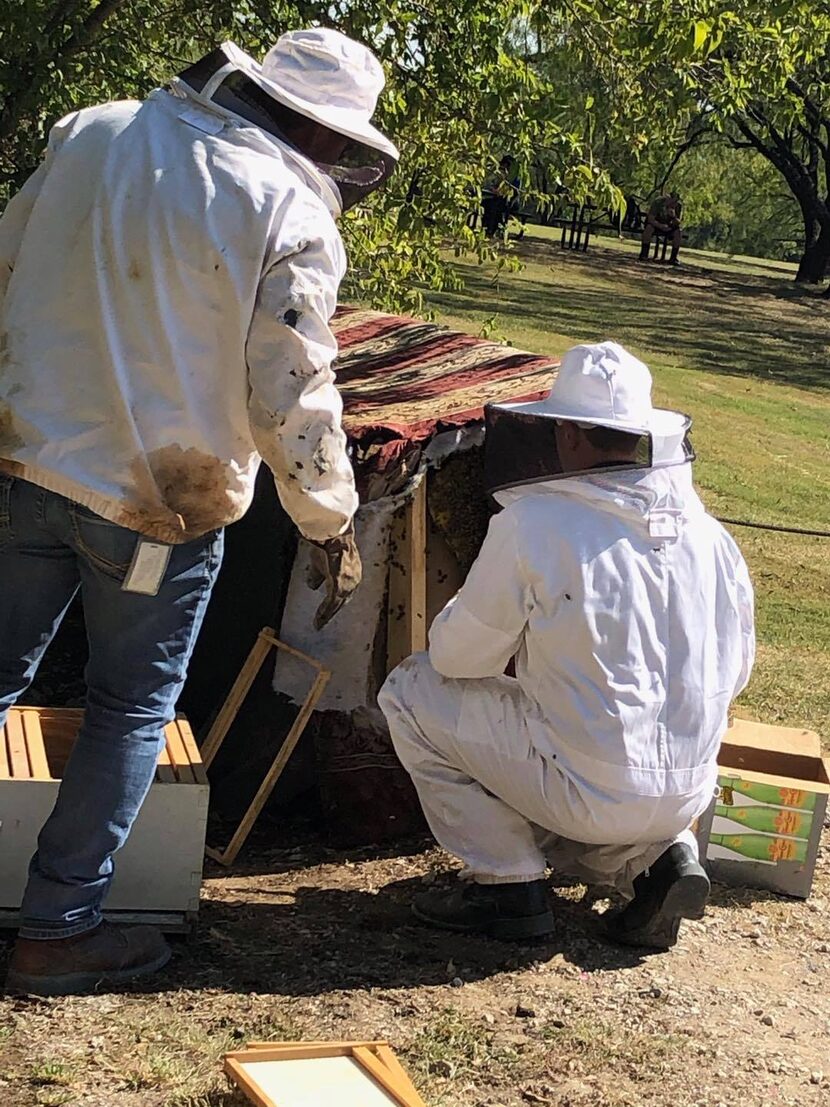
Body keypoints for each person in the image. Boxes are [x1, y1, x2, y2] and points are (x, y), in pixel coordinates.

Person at [0, 28, 398, 996]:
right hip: (155, 511)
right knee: (129, 704)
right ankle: (57, 927)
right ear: (318, 126)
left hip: (24, 463)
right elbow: (291, 385)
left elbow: (5, 270)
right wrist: (326, 517)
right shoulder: (288, 204)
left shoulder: (89, 133)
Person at [379, 342, 754, 949]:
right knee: (600, 753)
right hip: (690, 792)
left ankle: (505, 886)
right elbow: (736, 672)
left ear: (568, 436)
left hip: (591, 786)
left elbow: (455, 659)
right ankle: (662, 863)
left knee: (412, 690)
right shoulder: (708, 534)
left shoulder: (536, 524)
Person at [639, 192, 682, 264]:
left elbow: (678, 222)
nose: (674, 203)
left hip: (669, 226)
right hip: (656, 224)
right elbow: (651, 219)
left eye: (675, 201)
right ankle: (644, 254)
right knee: (648, 229)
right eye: (672, 201)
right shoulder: (658, 203)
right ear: (668, 198)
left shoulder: (678, 206)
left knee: (678, 232)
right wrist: (660, 226)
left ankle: (673, 258)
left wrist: (673, 216)